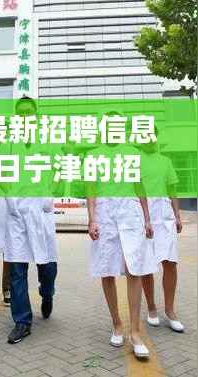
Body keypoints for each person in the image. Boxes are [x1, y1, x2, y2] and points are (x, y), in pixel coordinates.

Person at [87, 112, 157, 359]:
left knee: (133, 269)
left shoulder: (133, 153)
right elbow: (91, 189)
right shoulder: (93, 155)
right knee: (107, 270)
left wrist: (147, 219)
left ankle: (135, 332)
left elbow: (140, 188)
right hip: (105, 215)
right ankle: (117, 323)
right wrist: (92, 219)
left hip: (130, 214)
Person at [1, 97, 59, 345]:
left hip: (40, 209)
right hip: (16, 211)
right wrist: (9, 196)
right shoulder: (8, 143)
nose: (25, 116)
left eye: (29, 112)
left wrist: (50, 193)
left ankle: (47, 292)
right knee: (17, 268)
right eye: (21, 113)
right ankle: (22, 321)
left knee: (48, 266)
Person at [140, 133, 184, 332]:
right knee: (147, 264)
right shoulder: (135, 161)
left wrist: (177, 215)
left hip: (165, 215)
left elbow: (172, 189)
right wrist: (144, 217)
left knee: (170, 262)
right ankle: (151, 308)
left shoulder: (165, 161)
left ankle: (170, 310)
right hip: (144, 214)